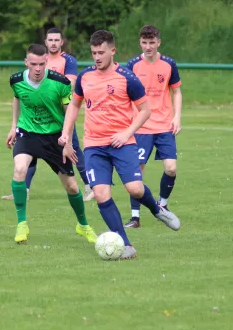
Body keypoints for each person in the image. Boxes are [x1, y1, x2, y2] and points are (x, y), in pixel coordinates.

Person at [59, 30, 180, 260]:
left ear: (112, 51)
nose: (97, 57)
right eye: (93, 52)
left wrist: (126, 133)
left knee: (134, 188)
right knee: (101, 193)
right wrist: (66, 135)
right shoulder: (85, 77)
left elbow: (146, 111)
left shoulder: (127, 77)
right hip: (95, 146)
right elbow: (74, 106)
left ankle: (157, 210)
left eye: (101, 52)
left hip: (123, 144)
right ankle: (125, 245)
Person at [6, 44, 98, 244]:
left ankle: (82, 225)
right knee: (19, 170)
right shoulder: (16, 80)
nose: (37, 69)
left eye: (41, 64)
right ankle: (22, 223)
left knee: (72, 187)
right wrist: (14, 126)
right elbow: (17, 98)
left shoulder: (61, 82)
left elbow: (70, 114)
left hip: (55, 137)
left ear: (46, 61)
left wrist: (67, 142)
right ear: (26, 62)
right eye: (33, 64)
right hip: (28, 133)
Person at [1, 28, 94, 202]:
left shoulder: (67, 61)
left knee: (73, 151)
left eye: (56, 40)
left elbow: (71, 84)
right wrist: (14, 126)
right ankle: (23, 191)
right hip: (32, 126)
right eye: (50, 40)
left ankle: (90, 186)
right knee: (26, 160)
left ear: (61, 42)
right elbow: (18, 96)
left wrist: (49, 92)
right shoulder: (20, 78)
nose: (53, 43)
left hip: (60, 121)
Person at [123, 25, 182, 228]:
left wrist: (177, 118)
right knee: (137, 172)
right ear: (140, 42)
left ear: (159, 42)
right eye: (144, 42)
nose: (148, 46)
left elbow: (177, 92)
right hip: (141, 127)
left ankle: (162, 206)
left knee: (171, 168)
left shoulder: (169, 64)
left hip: (165, 124)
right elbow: (124, 94)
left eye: (152, 42)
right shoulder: (132, 65)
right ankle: (135, 217)